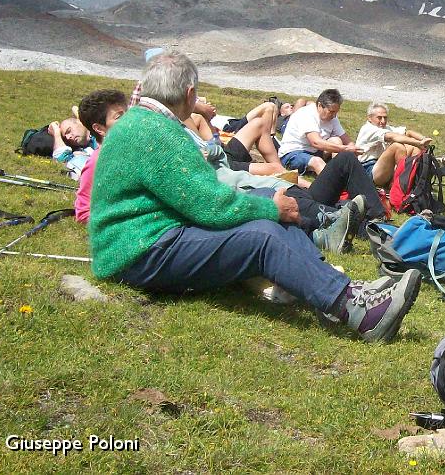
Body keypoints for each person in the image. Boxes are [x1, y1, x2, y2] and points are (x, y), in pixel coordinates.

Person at [88, 52, 420, 343]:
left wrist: (269, 208)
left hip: (146, 240)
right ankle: (358, 311)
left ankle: (334, 290)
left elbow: (200, 197)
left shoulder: (141, 123)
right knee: (263, 235)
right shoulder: (157, 132)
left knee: (269, 214)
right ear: (189, 94)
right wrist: (268, 207)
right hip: (140, 250)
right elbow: (210, 204)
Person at [74, 90, 127, 223]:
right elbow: (83, 212)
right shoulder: (98, 162)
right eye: (119, 117)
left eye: (129, 113)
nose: (130, 119)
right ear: (100, 129)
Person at [277, 89, 361, 175]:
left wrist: (355, 151)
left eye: (336, 112)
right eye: (331, 112)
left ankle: (341, 172)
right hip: (293, 153)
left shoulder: (333, 118)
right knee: (317, 162)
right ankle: (335, 183)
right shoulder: (307, 114)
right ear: (320, 105)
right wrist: (345, 148)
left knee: (336, 140)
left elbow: (346, 140)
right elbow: (315, 142)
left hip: (315, 152)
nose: (334, 115)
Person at [356, 102, 432, 186]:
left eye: (385, 118)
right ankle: (401, 185)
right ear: (369, 118)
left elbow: (408, 132)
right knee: (397, 147)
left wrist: (423, 140)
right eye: (379, 118)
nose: (383, 121)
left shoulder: (385, 128)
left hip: (382, 167)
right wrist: (418, 143)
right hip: (367, 170)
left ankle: (413, 181)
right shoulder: (368, 129)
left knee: (413, 148)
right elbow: (393, 137)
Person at [47, 115, 98, 180]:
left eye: (69, 131)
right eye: (65, 137)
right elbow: (61, 157)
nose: (68, 137)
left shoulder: (102, 133)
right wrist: (56, 133)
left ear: (79, 122)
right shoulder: (80, 153)